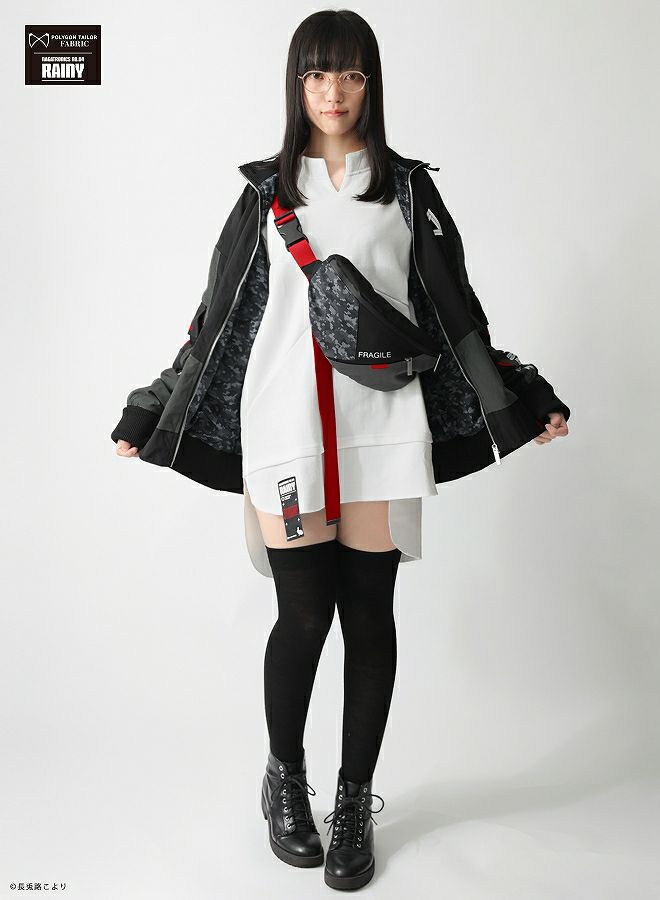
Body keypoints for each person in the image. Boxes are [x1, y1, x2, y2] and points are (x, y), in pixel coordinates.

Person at [111, 9, 570, 892]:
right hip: (283, 430)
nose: (333, 91)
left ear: (370, 83)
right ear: (297, 84)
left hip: (382, 433)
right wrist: (153, 405)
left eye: (350, 74)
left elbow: (455, 314)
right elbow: (213, 321)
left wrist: (525, 394)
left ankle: (355, 801)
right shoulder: (263, 194)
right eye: (317, 74)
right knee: (302, 615)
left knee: (368, 615)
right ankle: (285, 780)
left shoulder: (405, 190)